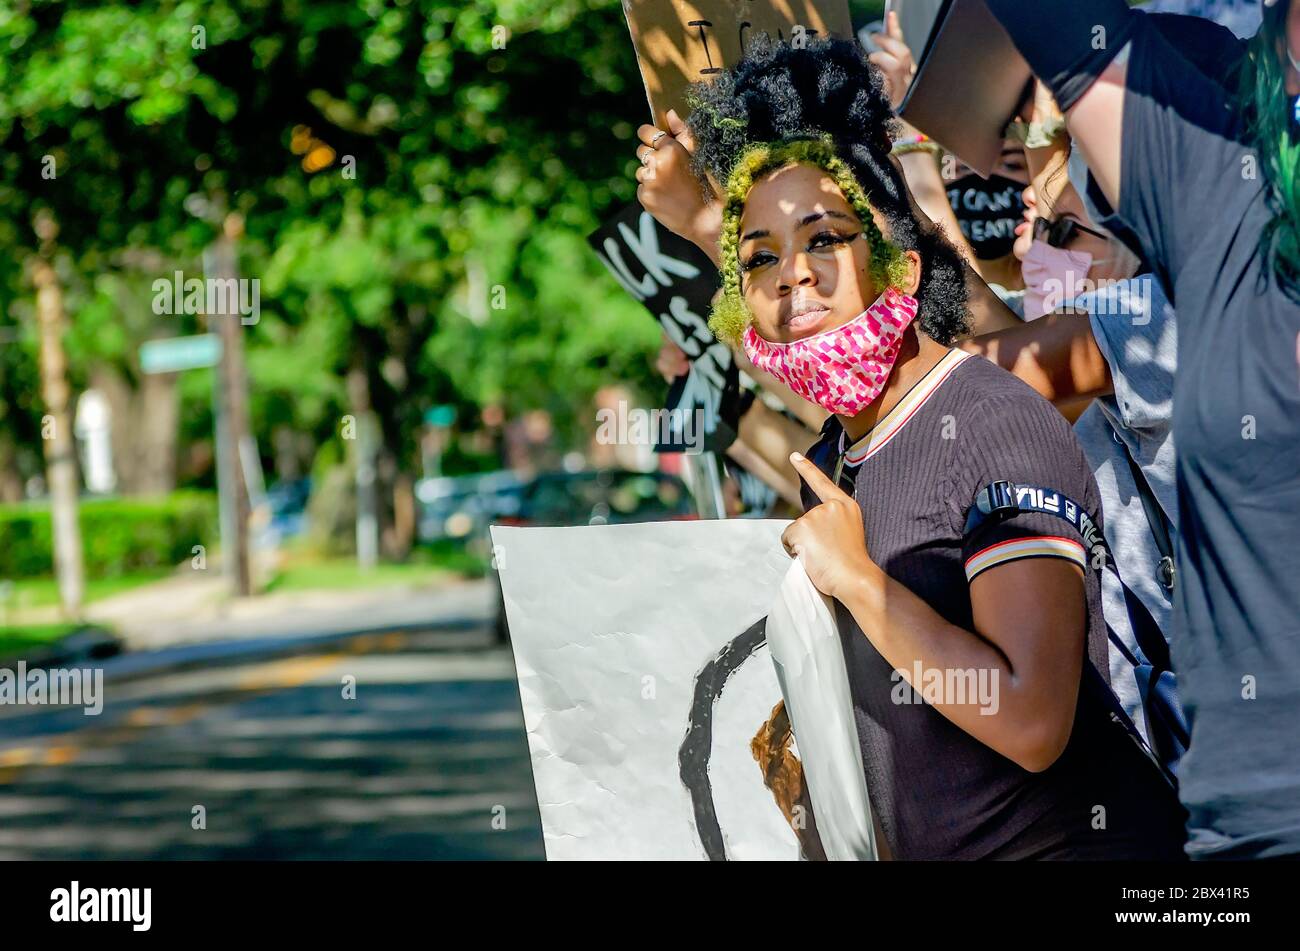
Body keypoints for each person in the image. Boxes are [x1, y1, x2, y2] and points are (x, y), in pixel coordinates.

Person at [668, 36, 1186, 860]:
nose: (790, 275)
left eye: (825, 238)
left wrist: (864, 585)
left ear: (903, 270)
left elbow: (1031, 720)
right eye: (757, 256)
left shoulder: (993, 421)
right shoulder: (839, 459)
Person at [986, 0, 1300, 861]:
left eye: (1058, 230)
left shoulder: (1151, 312)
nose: (1027, 249)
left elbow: (979, 371)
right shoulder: (1234, 246)